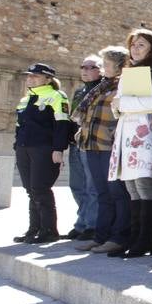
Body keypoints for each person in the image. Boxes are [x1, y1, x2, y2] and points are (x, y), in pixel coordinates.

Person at [107, 29, 152, 259]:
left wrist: (122, 103)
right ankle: (134, 237)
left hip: (146, 135)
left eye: (141, 45)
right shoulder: (129, 72)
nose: (135, 48)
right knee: (131, 189)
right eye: (133, 44)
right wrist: (119, 105)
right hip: (126, 134)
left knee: (145, 186)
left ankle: (147, 238)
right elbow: (117, 106)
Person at [73, 46, 130, 254]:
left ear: (119, 65)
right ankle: (100, 236)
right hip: (92, 144)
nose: (103, 67)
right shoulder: (101, 87)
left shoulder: (124, 85)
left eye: (106, 63)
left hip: (110, 145)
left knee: (117, 193)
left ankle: (118, 236)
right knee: (102, 193)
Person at [12, 62, 72, 244]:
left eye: (35, 76)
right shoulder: (25, 99)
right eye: (29, 75)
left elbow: (62, 125)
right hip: (24, 148)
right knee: (31, 190)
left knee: (41, 189)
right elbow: (19, 126)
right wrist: (17, 147)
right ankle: (34, 229)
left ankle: (49, 230)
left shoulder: (56, 96)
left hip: (44, 149)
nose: (30, 78)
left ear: (48, 79)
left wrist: (58, 149)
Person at [65, 55, 102, 240]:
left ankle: (91, 225)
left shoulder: (101, 90)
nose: (85, 71)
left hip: (91, 144)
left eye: (91, 67)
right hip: (75, 144)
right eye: (83, 67)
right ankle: (81, 222)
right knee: (76, 185)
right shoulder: (79, 92)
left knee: (91, 186)